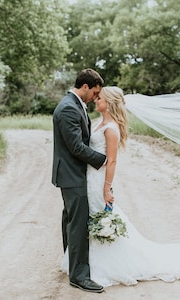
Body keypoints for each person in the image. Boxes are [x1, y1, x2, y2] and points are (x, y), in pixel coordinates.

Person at [61, 86, 180, 287]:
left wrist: (107, 188)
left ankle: (106, 265)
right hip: (88, 178)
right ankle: (87, 263)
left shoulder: (111, 129)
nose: (96, 99)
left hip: (99, 181)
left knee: (100, 216)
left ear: (108, 102)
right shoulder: (100, 122)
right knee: (90, 217)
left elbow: (112, 162)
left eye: (99, 97)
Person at [52, 69, 111, 293]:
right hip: (71, 173)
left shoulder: (74, 104)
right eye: (95, 92)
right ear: (85, 86)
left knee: (71, 219)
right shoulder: (68, 108)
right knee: (77, 224)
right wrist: (103, 159)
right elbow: (76, 147)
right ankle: (79, 276)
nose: (95, 97)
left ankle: (70, 263)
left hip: (73, 173)